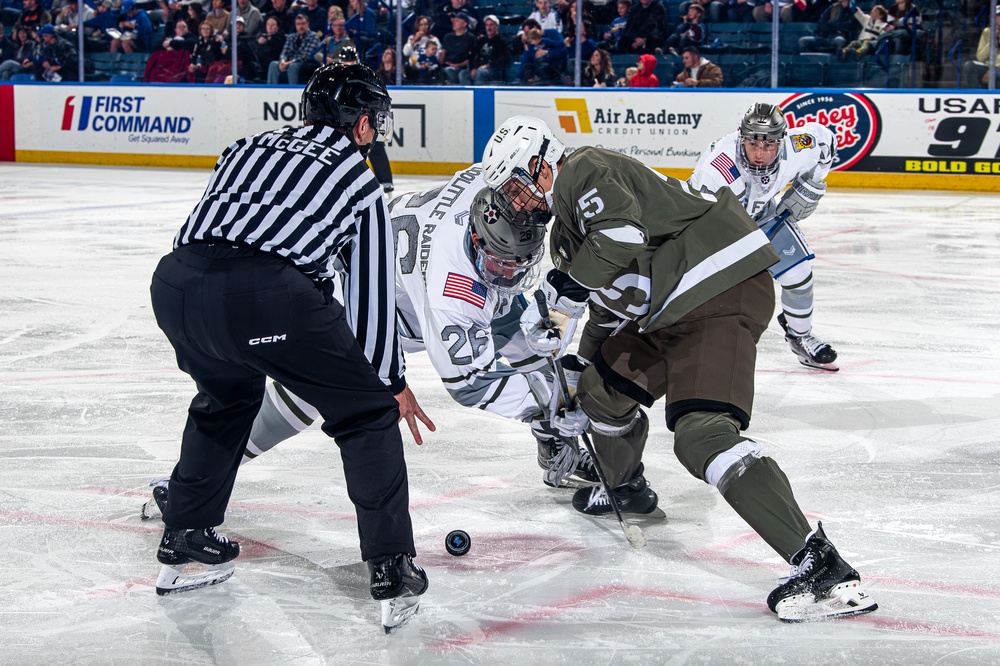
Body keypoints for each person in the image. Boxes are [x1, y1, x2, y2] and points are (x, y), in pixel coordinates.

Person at [480, 114, 877, 622]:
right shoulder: (565, 236)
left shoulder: (583, 168)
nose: (517, 203)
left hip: (720, 284)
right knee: (601, 390)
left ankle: (822, 569)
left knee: (702, 436)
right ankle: (626, 488)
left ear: (540, 163)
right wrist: (580, 363)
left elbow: (619, 237)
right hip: (669, 308)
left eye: (516, 187)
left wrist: (562, 297)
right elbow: (605, 306)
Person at [143, 168, 600, 527]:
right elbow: (470, 383)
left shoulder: (488, 186)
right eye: (498, 263)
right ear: (478, 238)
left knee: (530, 346)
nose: (506, 272)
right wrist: (551, 404)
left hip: (383, 275)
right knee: (305, 396)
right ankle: (193, 487)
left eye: (515, 262)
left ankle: (552, 441)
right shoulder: (451, 288)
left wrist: (547, 361)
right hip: (350, 298)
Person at [148, 62, 431, 633]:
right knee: (366, 415)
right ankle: (392, 567)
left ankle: (184, 537)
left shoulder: (247, 144)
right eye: (375, 120)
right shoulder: (359, 177)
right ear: (360, 124)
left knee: (225, 398)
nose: (376, 131)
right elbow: (371, 296)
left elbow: (206, 230)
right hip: (262, 296)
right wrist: (389, 384)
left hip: (175, 285)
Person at [689, 104, 839, 371]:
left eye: (769, 146)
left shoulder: (797, 146)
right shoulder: (716, 171)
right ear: (741, 138)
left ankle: (800, 336)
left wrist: (812, 185)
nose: (759, 154)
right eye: (753, 144)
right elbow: (696, 219)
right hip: (717, 227)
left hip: (763, 217)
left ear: (781, 141)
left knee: (800, 276)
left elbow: (826, 141)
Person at [267, 11, 319, 83]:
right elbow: (284, 52)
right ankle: (271, 91)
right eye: (298, 24)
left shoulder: (313, 37)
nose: (300, 26)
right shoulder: (291, 37)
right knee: (273, 64)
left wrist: (288, 63)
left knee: (293, 67)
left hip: (303, 64)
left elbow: (306, 56)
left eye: (303, 24)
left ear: (308, 24)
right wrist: (282, 61)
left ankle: (293, 91)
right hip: (289, 63)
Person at [470, 13, 510, 85]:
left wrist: (489, 65)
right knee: (463, 74)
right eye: (487, 25)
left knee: (480, 73)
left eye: (491, 25)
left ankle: (478, 95)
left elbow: (504, 58)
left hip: (494, 69)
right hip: (479, 67)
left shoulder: (502, 41)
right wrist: (473, 68)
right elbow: (473, 55)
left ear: (497, 26)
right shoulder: (481, 40)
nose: (489, 28)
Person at [439, 11, 477, 84]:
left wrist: (456, 65)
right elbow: (442, 54)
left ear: (465, 24)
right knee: (446, 71)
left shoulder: (471, 38)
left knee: (459, 74)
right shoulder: (448, 37)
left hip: (465, 68)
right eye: (454, 20)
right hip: (449, 66)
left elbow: (472, 58)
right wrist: (441, 64)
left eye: (457, 20)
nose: (454, 22)